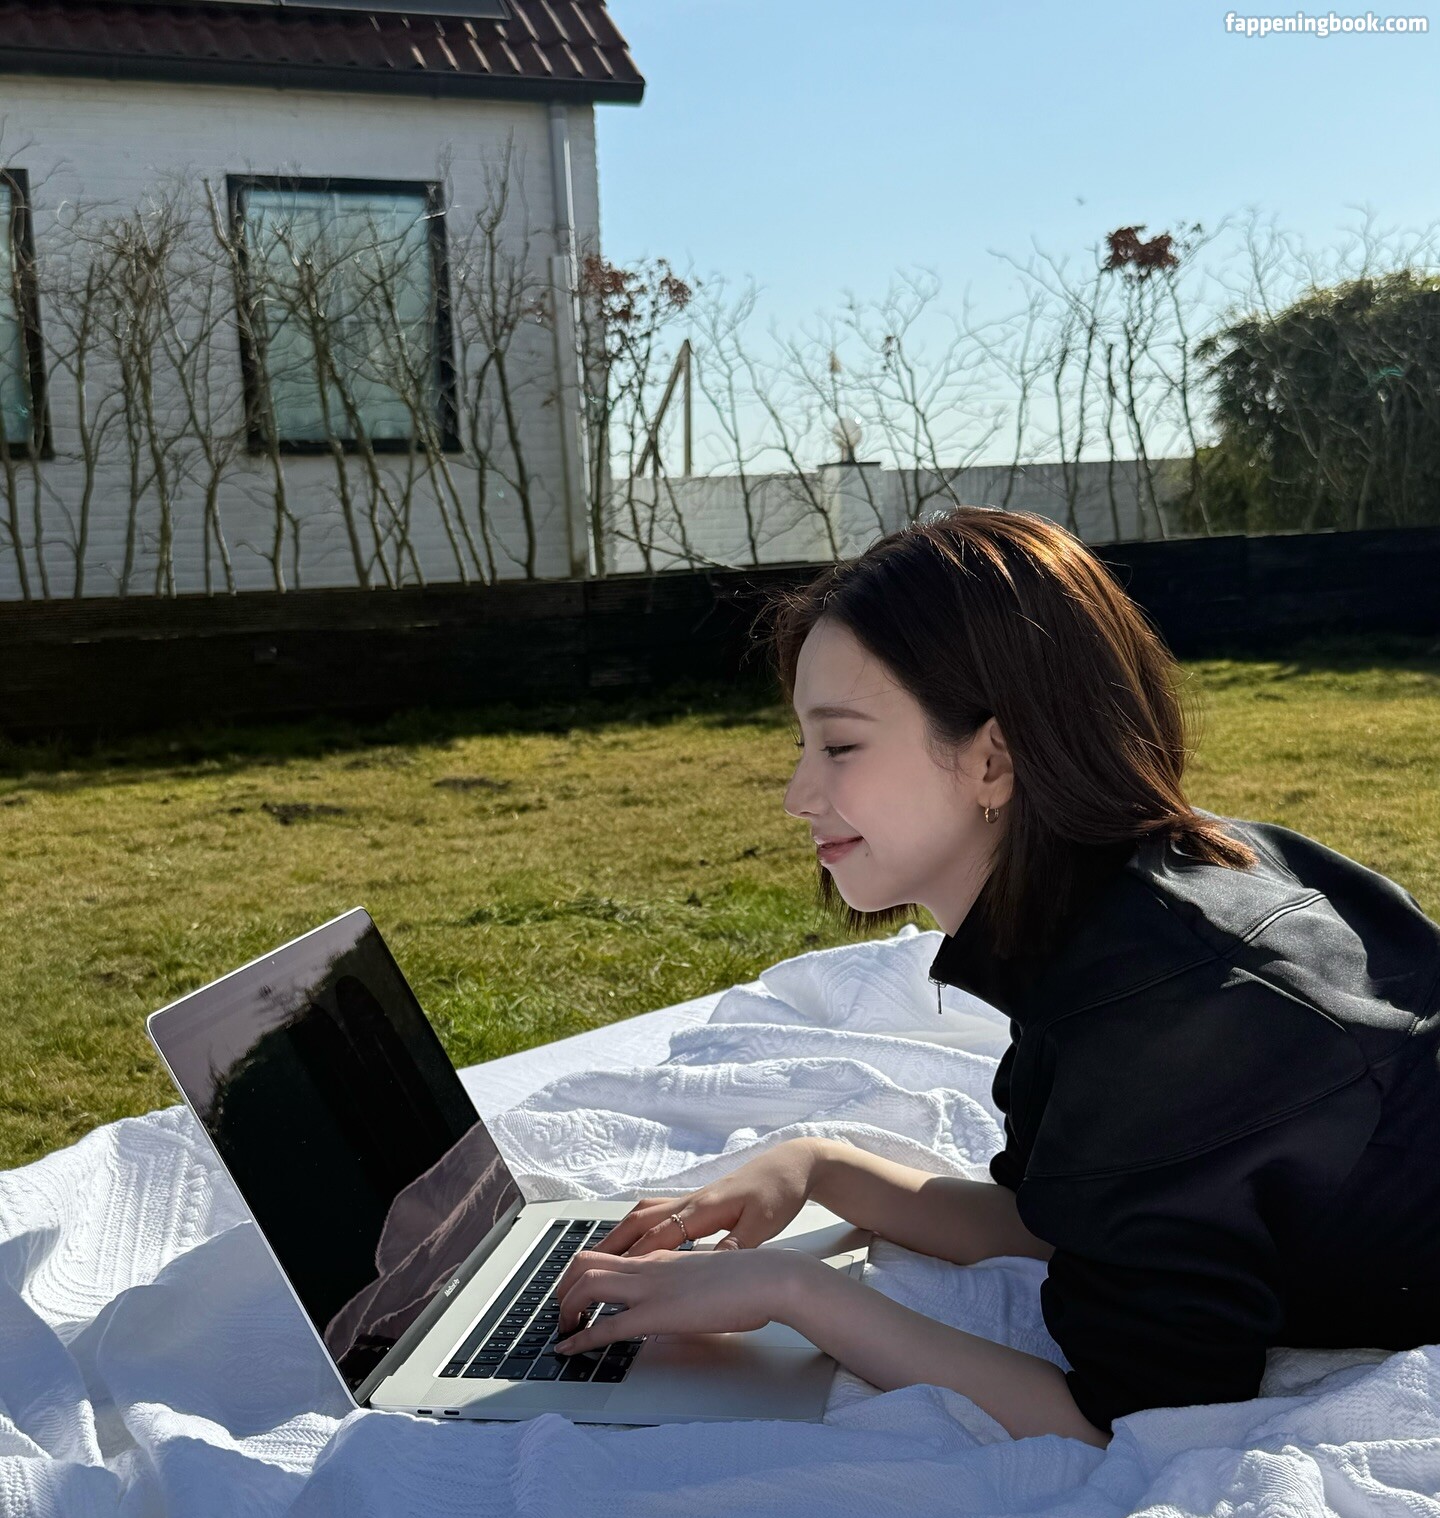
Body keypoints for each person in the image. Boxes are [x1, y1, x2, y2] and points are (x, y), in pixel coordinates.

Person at [553, 506, 1440, 1448]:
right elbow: (1068, 1217)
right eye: (802, 747)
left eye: (839, 745)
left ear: (993, 758)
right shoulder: (1140, 900)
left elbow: (1125, 1415)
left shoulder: (1165, 1016)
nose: (797, 796)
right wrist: (816, 1166)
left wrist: (792, 1291)